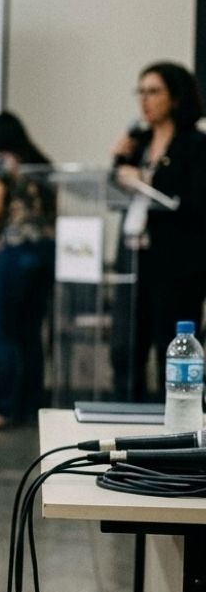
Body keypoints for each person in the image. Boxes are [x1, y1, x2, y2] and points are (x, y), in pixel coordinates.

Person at [112, 62, 206, 400]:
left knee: (171, 347)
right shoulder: (137, 142)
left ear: (176, 97)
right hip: (134, 256)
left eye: (153, 91)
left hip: (176, 263)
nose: (144, 100)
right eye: (141, 91)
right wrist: (117, 163)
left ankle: (174, 430)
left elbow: (197, 202)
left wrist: (147, 181)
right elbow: (118, 190)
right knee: (125, 348)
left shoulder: (194, 144)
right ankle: (123, 427)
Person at [0, 112, 56, 426]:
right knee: (30, 333)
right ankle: (32, 404)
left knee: (4, 332)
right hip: (46, 252)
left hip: (15, 250)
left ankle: (3, 407)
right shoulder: (41, 163)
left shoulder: (1, 163)